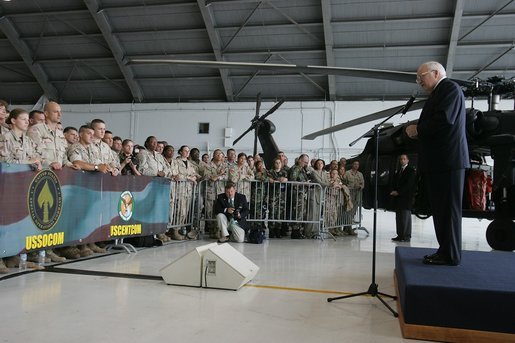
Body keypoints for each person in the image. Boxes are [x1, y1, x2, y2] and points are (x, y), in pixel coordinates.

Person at [406, 61, 469, 266]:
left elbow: (444, 119)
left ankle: (450, 254)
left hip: (448, 161)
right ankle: (445, 251)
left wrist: (418, 130)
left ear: (435, 73)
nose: (419, 81)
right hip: (440, 162)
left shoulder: (449, 88)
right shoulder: (439, 92)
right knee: (441, 210)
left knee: (448, 210)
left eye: (421, 76)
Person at [390, 154, 416, 243]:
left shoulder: (411, 170)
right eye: (401, 159)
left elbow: (409, 185)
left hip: (406, 198)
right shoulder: (399, 171)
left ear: (408, 160)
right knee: (399, 218)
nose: (402, 161)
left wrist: (398, 192)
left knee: (405, 218)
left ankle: (406, 236)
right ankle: (400, 235)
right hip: (398, 199)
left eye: (404, 159)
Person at [343, 160, 364, 236]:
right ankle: (348, 229)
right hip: (349, 195)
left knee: (353, 213)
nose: (356, 165)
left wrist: (360, 187)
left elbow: (362, 183)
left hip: (356, 196)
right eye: (355, 164)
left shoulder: (360, 174)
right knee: (348, 212)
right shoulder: (348, 173)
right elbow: (344, 182)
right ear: (352, 165)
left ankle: (347, 228)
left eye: (357, 164)